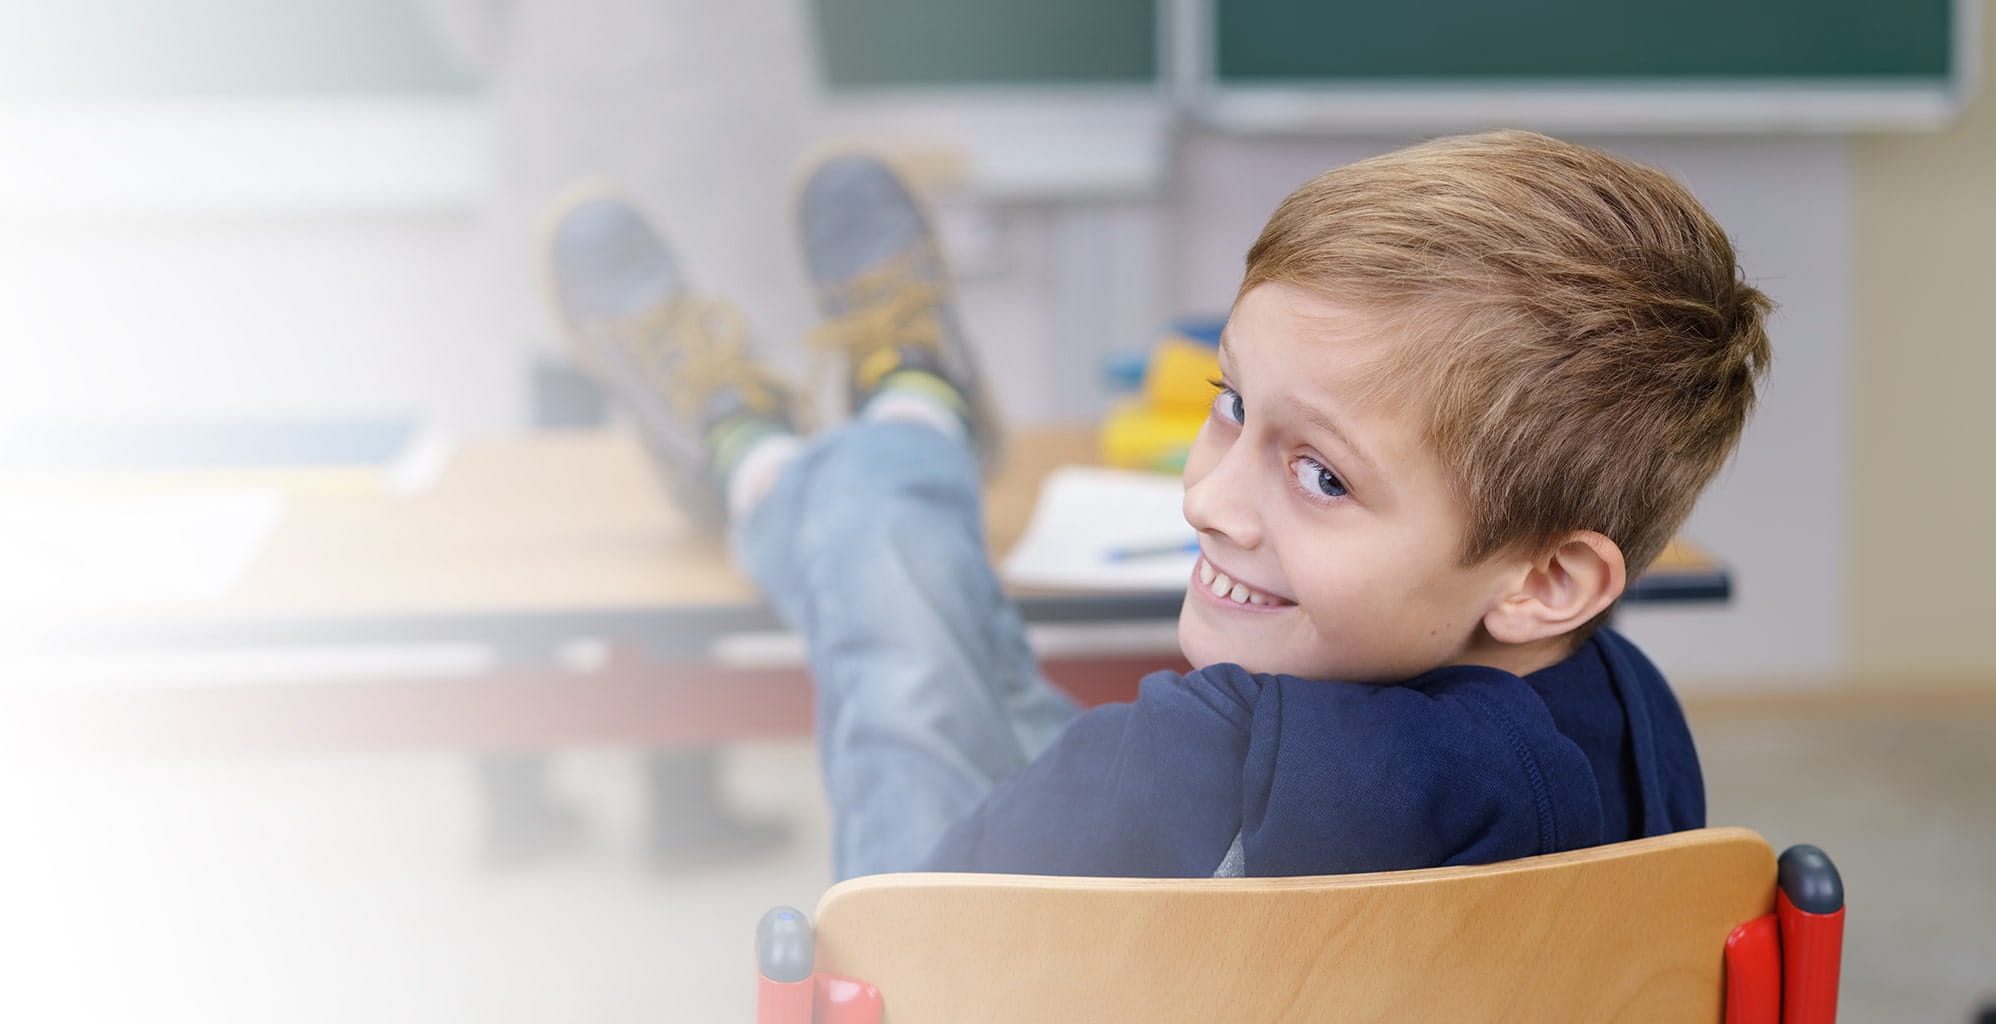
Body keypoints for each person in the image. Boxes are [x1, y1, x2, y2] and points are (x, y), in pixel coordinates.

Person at [544, 130, 1771, 881]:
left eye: (1321, 473)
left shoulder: (1207, 753)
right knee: (949, 637)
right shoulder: (1639, 720)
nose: (1206, 497)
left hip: (974, 954)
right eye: (1230, 403)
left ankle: (799, 437)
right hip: (1168, 884)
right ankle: (853, 413)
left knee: (892, 634)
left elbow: (908, 928)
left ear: (1543, 578)